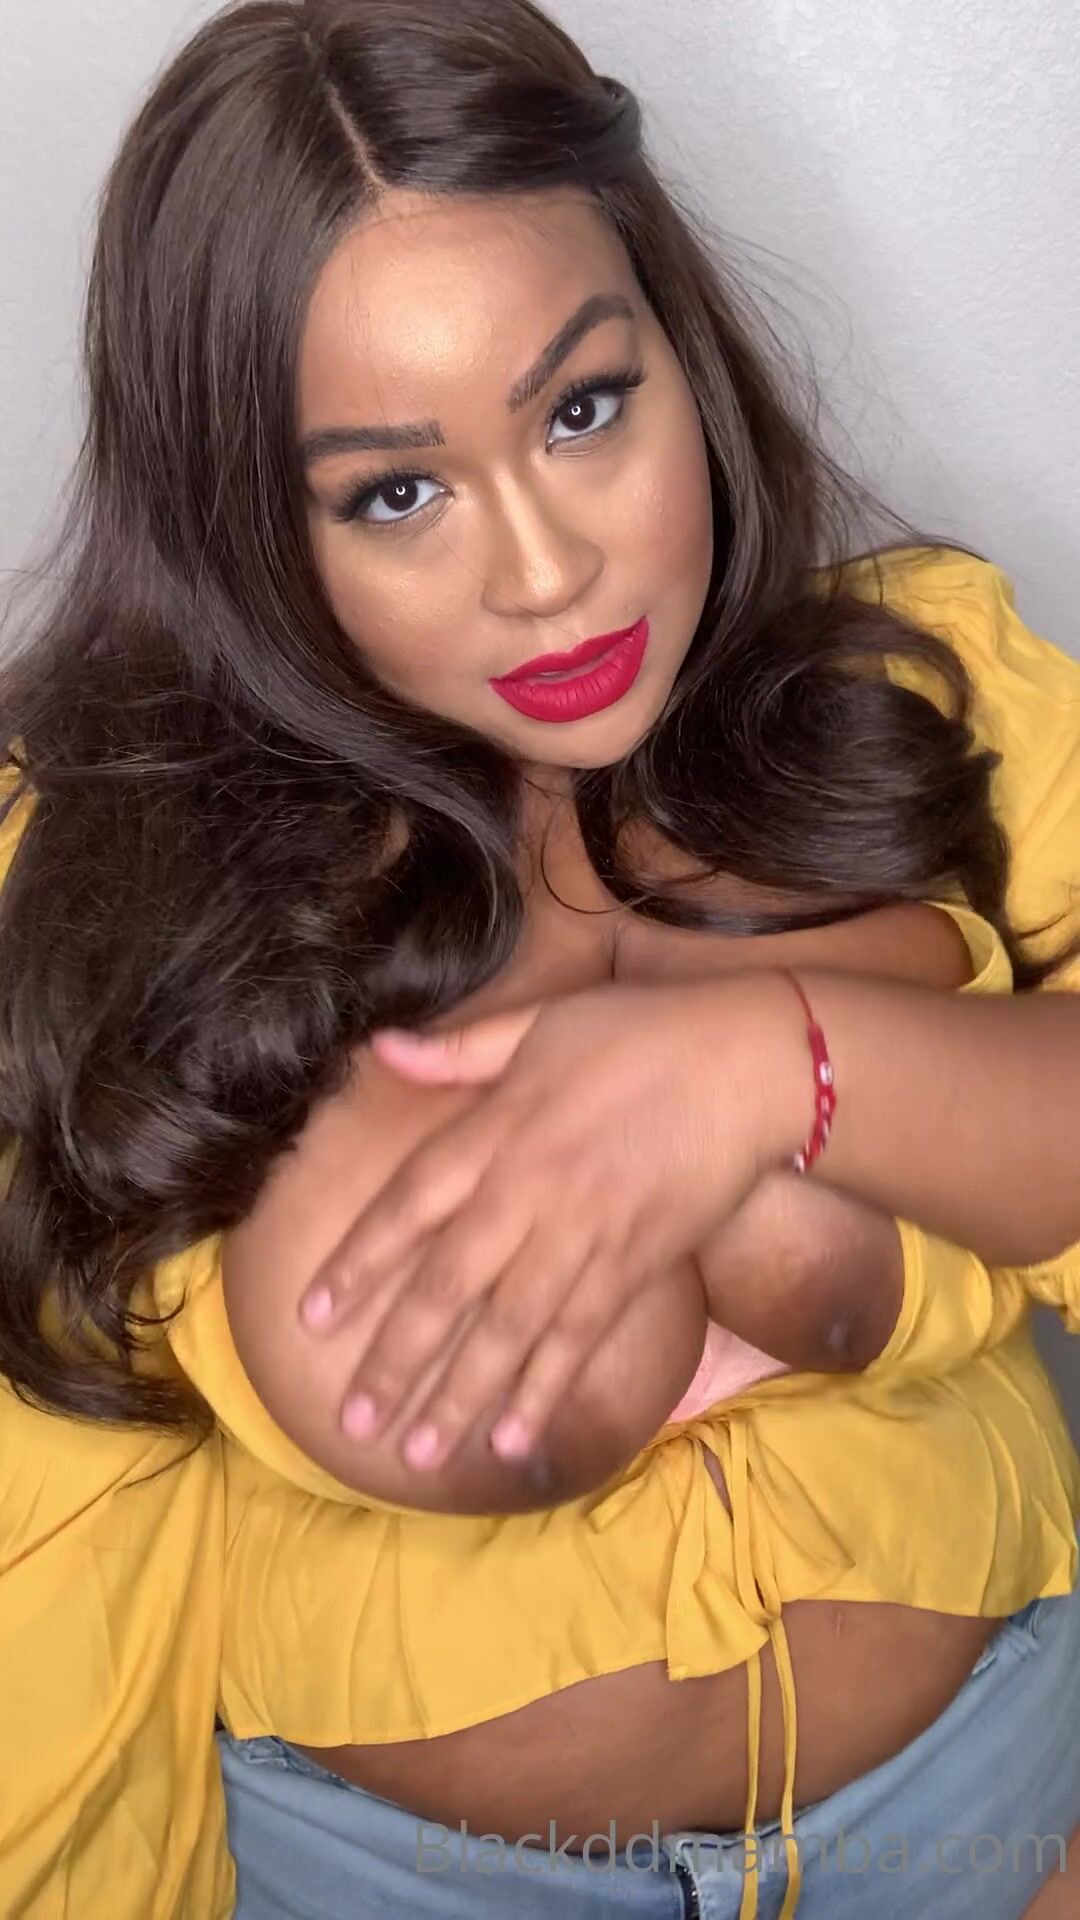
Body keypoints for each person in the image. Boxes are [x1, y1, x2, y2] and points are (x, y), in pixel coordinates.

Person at [1, 2, 1078, 1916]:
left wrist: (777, 1066)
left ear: (677, 345)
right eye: (394, 492)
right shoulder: (94, 871)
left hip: (993, 1805)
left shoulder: (922, 686)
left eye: (582, 410)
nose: (545, 571)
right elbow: (49, 1555)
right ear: (246, 521)